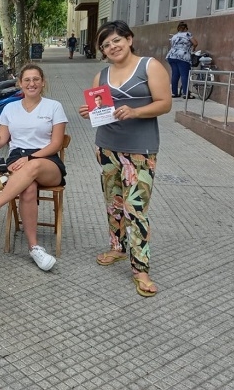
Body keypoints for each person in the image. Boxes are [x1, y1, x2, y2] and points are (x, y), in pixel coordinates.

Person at [78, 20, 171, 298]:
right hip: (107, 147)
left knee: (135, 208)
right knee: (114, 204)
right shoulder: (101, 75)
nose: (112, 47)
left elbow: (165, 103)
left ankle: (141, 268)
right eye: (106, 44)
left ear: (129, 39)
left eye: (116, 40)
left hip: (141, 150)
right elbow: (101, 112)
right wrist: (89, 113)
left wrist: (135, 111)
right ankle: (117, 248)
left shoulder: (149, 66)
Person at [0, 63, 68, 271]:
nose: (31, 83)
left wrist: (31, 157)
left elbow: (56, 144)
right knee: (28, 188)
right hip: (17, 158)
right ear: (20, 83)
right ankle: (35, 248)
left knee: (32, 168)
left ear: (43, 82)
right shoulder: (10, 108)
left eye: (36, 79)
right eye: (27, 80)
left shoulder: (54, 106)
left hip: (47, 159)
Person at [166, 21, 198, 99]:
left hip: (171, 56)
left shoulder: (174, 36)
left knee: (175, 75)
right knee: (184, 75)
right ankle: (186, 94)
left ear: (178, 29)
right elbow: (195, 43)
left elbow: (172, 45)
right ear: (186, 28)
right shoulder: (188, 34)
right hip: (183, 57)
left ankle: (174, 93)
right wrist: (193, 49)